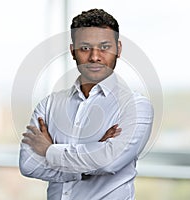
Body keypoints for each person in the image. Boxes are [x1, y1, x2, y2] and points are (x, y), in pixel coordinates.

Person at [19, 8, 154, 200]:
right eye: (85, 48)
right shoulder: (49, 104)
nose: (94, 57)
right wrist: (94, 154)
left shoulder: (136, 107)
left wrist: (49, 150)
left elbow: (109, 163)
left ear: (119, 49)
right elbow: (29, 164)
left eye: (105, 47)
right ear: (72, 51)